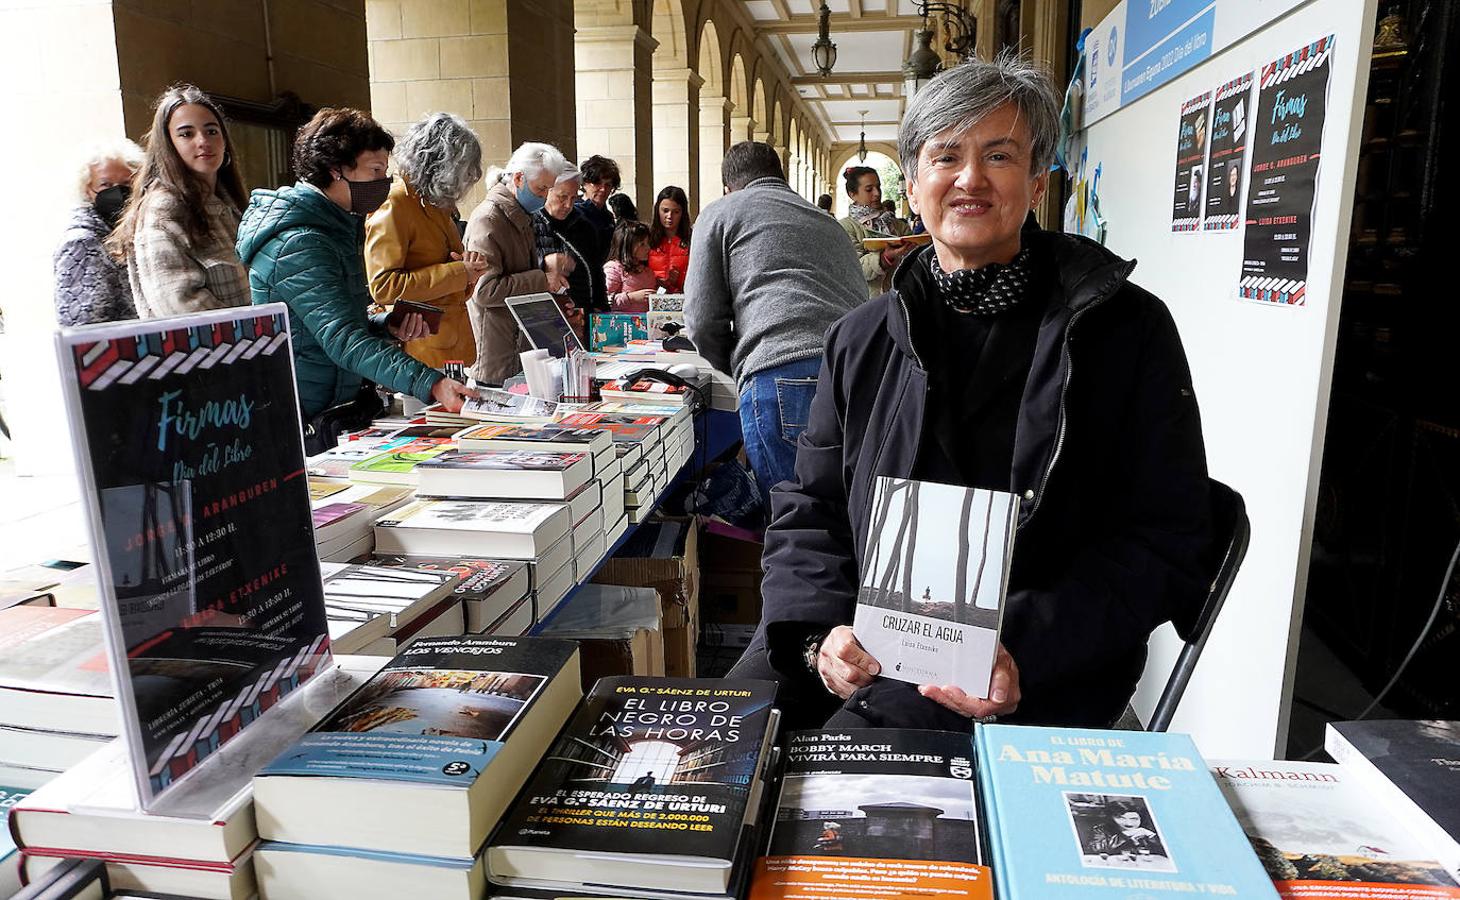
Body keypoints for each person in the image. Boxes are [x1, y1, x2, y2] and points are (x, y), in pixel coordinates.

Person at [730, 56, 1212, 733]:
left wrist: (1025, 644)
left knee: (830, 786)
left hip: (1022, 656)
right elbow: (812, 507)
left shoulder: (1125, 332)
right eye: (946, 155)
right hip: (862, 630)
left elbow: (1169, 537)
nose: (970, 179)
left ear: (1037, 182)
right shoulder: (858, 339)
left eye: (1000, 156)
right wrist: (816, 636)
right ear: (916, 182)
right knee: (716, 739)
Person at [236, 107, 474, 449]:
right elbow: (341, 338)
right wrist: (432, 383)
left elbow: (332, 318)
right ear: (335, 170)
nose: (383, 183)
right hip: (302, 411)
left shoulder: (336, 227)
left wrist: (385, 324)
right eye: (375, 171)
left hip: (329, 402)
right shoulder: (300, 241)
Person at [684, 141, 866, 509]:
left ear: (728, 186)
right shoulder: (827, 222)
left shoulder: (721, 212)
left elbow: (702, 320)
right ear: (779, 175)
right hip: (854, 374)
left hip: (781, 372)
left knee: (795, 524)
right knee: (849, 516)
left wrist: (737, 366)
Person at [108, 84, 250, 318]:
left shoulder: (228, 203)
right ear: (168, 146)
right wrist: (254, 330)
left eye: (212, 131)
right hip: (215, 349)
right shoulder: (163, 208)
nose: (203, 140)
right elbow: (177, 305)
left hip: (258, 344)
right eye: (186, 134)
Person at [364, 112, 484, 370]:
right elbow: (384, 287)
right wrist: (459, 271)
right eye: (461, 173)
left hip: (447, 344)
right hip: (418, 351)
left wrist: (468, 273)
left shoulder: (434, 203)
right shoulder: (395, 204)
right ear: (441, 166)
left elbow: (447, 276)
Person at [463, 142, 573, 383]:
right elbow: (484, 290)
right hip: (495, 357)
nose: (544, 197)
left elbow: (520, 274)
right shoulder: (489, 219)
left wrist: (548, 272)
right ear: (519, 178)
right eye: (541, 189)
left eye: (548, 190)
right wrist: (542, 278)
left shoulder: (521, 216)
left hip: (518, 350)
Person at [54, 141, 143, 326]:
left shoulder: (130, 231)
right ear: (87, 189)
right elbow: (80, 322)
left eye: (127, 183)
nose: (118, 191)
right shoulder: (82, 242)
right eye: (105, 184)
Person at [533, 163, 607, 319]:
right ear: (547, 190)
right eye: (562, 197)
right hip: (546, 316)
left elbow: (596, 273)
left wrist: (601, 307)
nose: (568, 205)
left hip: (584, 315)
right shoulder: (529, 224)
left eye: (573, 198)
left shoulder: (585, 227)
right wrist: (544, 263)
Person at [839, 165, 913, 298]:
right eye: (869, 189)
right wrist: (885, 258)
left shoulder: (896, 224)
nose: (877, 193)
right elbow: (854, 269)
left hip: (901, 301)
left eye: (878, 187)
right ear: (852, 194)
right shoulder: (846, 227)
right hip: (866, 304)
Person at [574, 154, 620, 267]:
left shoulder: (608, 217)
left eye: (608, 185)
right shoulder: (573, 212)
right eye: (597, 183)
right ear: (584, 183)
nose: (603, 189)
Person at [603, 220, 657, 312]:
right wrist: (631, 297)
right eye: (642, 244)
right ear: (627, 246)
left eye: (648, 243)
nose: (648, 248)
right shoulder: (614, 268)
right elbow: (604, 301)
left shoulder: (647, 271)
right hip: (621, 324)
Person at [647, 185, 691, 293]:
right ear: (658, 210)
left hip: (683, 299)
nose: (669, 216)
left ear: (682, 213)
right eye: (665, 210)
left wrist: (679, 280)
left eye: (676, 212)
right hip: (651, 299)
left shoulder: (692, 239)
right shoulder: (647, 238)